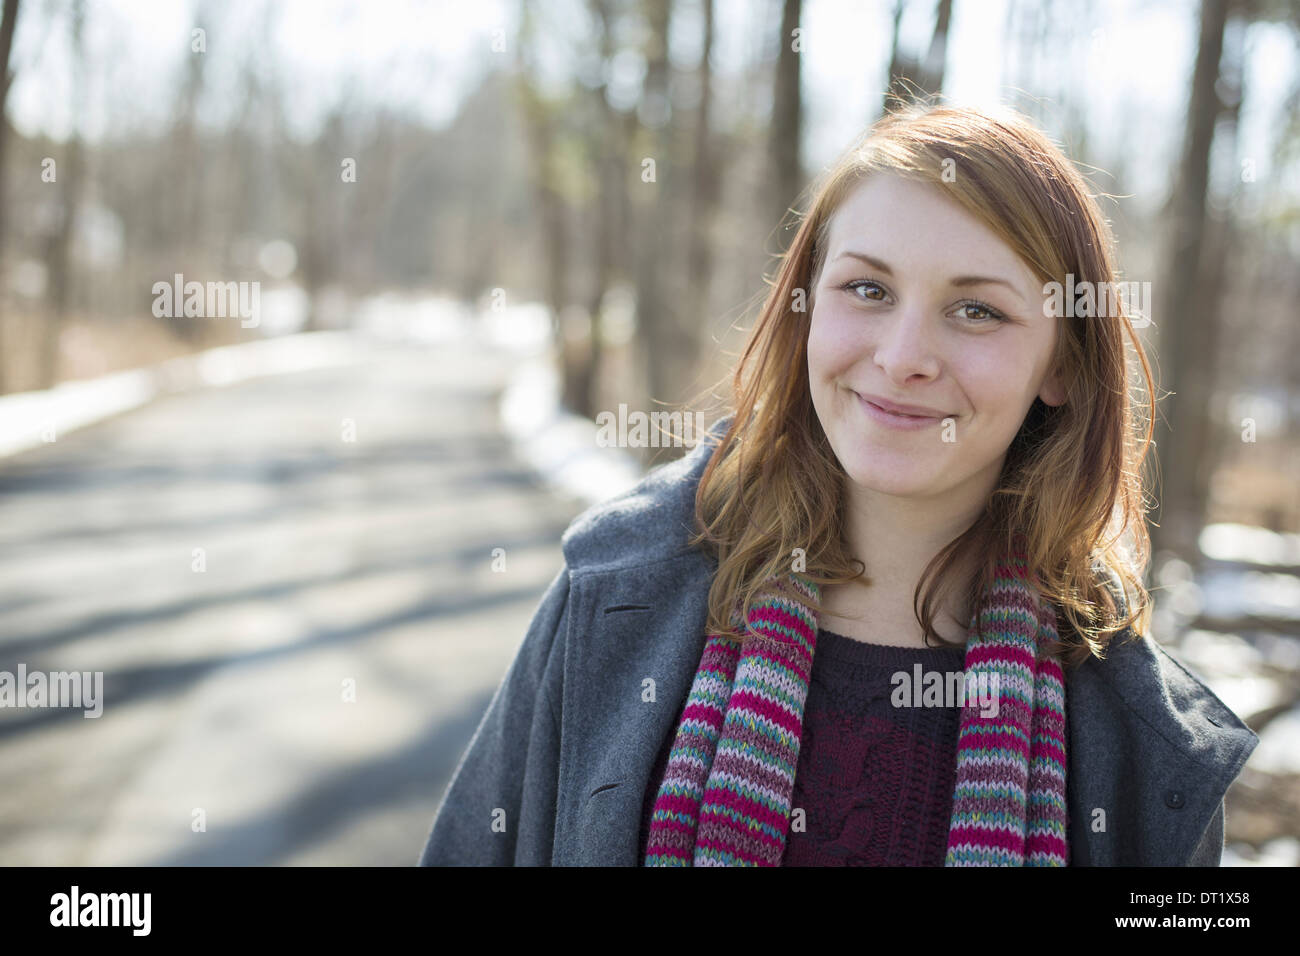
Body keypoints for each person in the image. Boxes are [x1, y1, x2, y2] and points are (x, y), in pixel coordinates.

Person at [418, 104, 1259, 867]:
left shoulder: (1144, 745)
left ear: (1064, 366)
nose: (901, 357)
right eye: (867, 289)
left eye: (977, 311)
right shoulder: (613, 601)